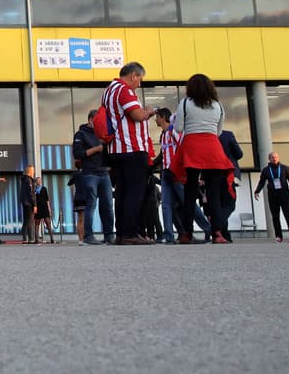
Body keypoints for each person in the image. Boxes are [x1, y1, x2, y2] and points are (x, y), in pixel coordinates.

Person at [168, 74, 234, 245]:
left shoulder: (185, 103)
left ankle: (187, 233)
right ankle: (218, 233)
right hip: (213, 148)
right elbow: (219, 131)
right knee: (214, 194)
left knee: (190, 193)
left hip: (192, 146)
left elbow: (178, 127)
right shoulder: (218, 105)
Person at [103, 62, 157, 245]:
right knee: (135, 191)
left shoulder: (109, 90)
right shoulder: (124, 90)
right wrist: (149, 111)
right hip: (132, 147)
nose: (139, 85)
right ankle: (131, 232)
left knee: (122, 191)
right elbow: (137, 115)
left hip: (116, 149)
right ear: (133, 75)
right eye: (139, 80)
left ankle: (122, 233)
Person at [153, 108, 209, 244]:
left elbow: (183, 148)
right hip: (165, 172)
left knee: (187, 202)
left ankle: (209, 229)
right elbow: (163, 154)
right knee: (166, 205)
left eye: (157, 117)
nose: (155, 120)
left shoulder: (174, 132)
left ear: (163, 117)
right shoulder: (163, 135)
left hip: (176, 172)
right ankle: (168, 235)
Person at [72, 109, 113, 245]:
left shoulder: (103, 134)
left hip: (104, 173)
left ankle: (109, 235)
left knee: (107, 205)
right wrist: (96, 149)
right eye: (98, 121)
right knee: (91, 205)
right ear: (91, 120)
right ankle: (88, 236)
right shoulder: (81, 134)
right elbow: (77, 154)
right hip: (90, 173)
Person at [253, 152, 289, 242]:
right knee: (275, 216)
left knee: (288, 215)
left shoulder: (284, 168)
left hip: (284, 194)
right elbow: (262, 182)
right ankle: (278, 236)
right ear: (269, 159)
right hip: (272, 195)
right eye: (272, 157)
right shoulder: (266, 170)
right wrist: (257, 191)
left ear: (278, 158)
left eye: (276, 157)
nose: (274, 159)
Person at [67, 174, 87, 246]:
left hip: (77, 198)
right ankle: (83, 239)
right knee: (82, 219)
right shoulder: (85, 174)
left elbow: (69, 184)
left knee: (79, 219)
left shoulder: (75, 175)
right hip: (84, 198)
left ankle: (80, 240)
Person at [19, 167, 37, 243]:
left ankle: (24, 238)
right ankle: (31, 238)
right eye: (33, 170)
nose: (34, 171)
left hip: (25, 202)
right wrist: (35, 204)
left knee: (26, 221)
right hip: (29, 203)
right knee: (30, 221)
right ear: (29, 171)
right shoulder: (28, 180)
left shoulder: (24, 180)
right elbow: (31, 193)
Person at [34, 177, 55, 244]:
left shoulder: (44, 188)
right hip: (38, 207)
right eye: (38, 180)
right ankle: (36, 239)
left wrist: (49, 208)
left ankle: (52, 238)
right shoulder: (34, 190)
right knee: (37, 223)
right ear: (36, 182)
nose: (39, 181)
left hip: (45, 207)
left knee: (48, 222)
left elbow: (47, 199)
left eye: (40, 180)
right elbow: (34, 200)